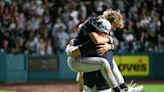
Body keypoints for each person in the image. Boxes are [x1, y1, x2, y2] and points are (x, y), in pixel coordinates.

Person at [66, 9, 143, 92]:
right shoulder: (91, 37)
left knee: (109, 61)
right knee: (104, 63)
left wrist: (110, 45)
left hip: (93, 76)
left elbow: (111, 43)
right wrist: (69, 48)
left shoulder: (100, 32)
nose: (113, 30)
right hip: (82, 65)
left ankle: (124, 88)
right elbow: (73, 52)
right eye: (114, 26)